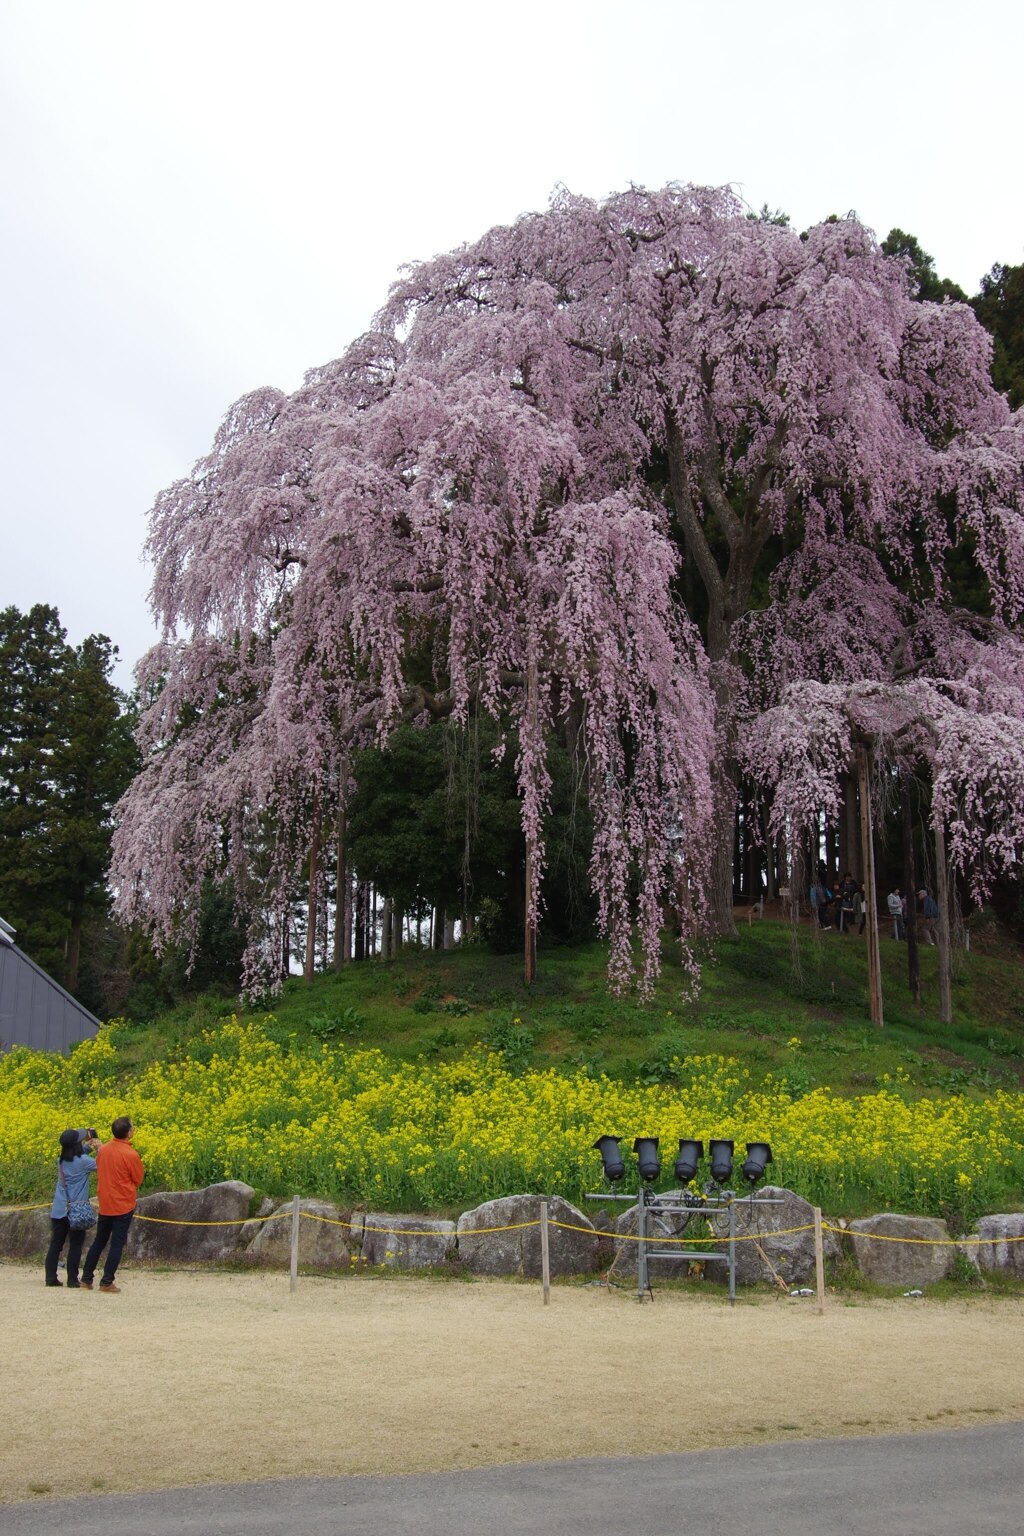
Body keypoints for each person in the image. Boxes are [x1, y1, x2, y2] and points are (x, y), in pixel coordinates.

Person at [81, 1116, 144, 1294]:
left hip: (106, 1202)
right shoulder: (131, 1154)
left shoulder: (104, 1150)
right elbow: (138, 1179)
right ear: (129, 1132)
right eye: (132, 1127)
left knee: (99, 1240)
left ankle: (86, 1279)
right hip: (123, 1203)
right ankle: (107, 1281)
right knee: (117, 1243)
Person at [45, 1127, 99, 1288]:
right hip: (76, 1211)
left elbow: (76, 1154)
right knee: (75, 1244)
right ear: (76, 1145)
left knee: (56, 1244)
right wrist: (99, 1148)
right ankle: (72, 1279)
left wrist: (88, 1147)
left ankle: (50, 1277)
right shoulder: (84, 1162)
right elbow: (102, 1163)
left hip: (59, 1209)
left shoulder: (60, 1160)